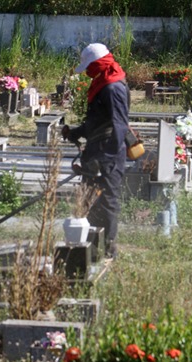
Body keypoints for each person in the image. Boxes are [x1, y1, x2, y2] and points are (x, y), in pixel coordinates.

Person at [61, 43, 130, 259]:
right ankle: (91, 246)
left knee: (107, 200)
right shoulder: (103, 83)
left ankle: (108, 248)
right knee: (90, 199)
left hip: (108, 152)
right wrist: (76, 133)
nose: (87, 73)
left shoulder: (113, 87)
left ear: (98, 64)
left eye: (89, 67)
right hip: (96, 150)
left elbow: (119, 125)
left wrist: (105, 158)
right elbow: (98, 122)